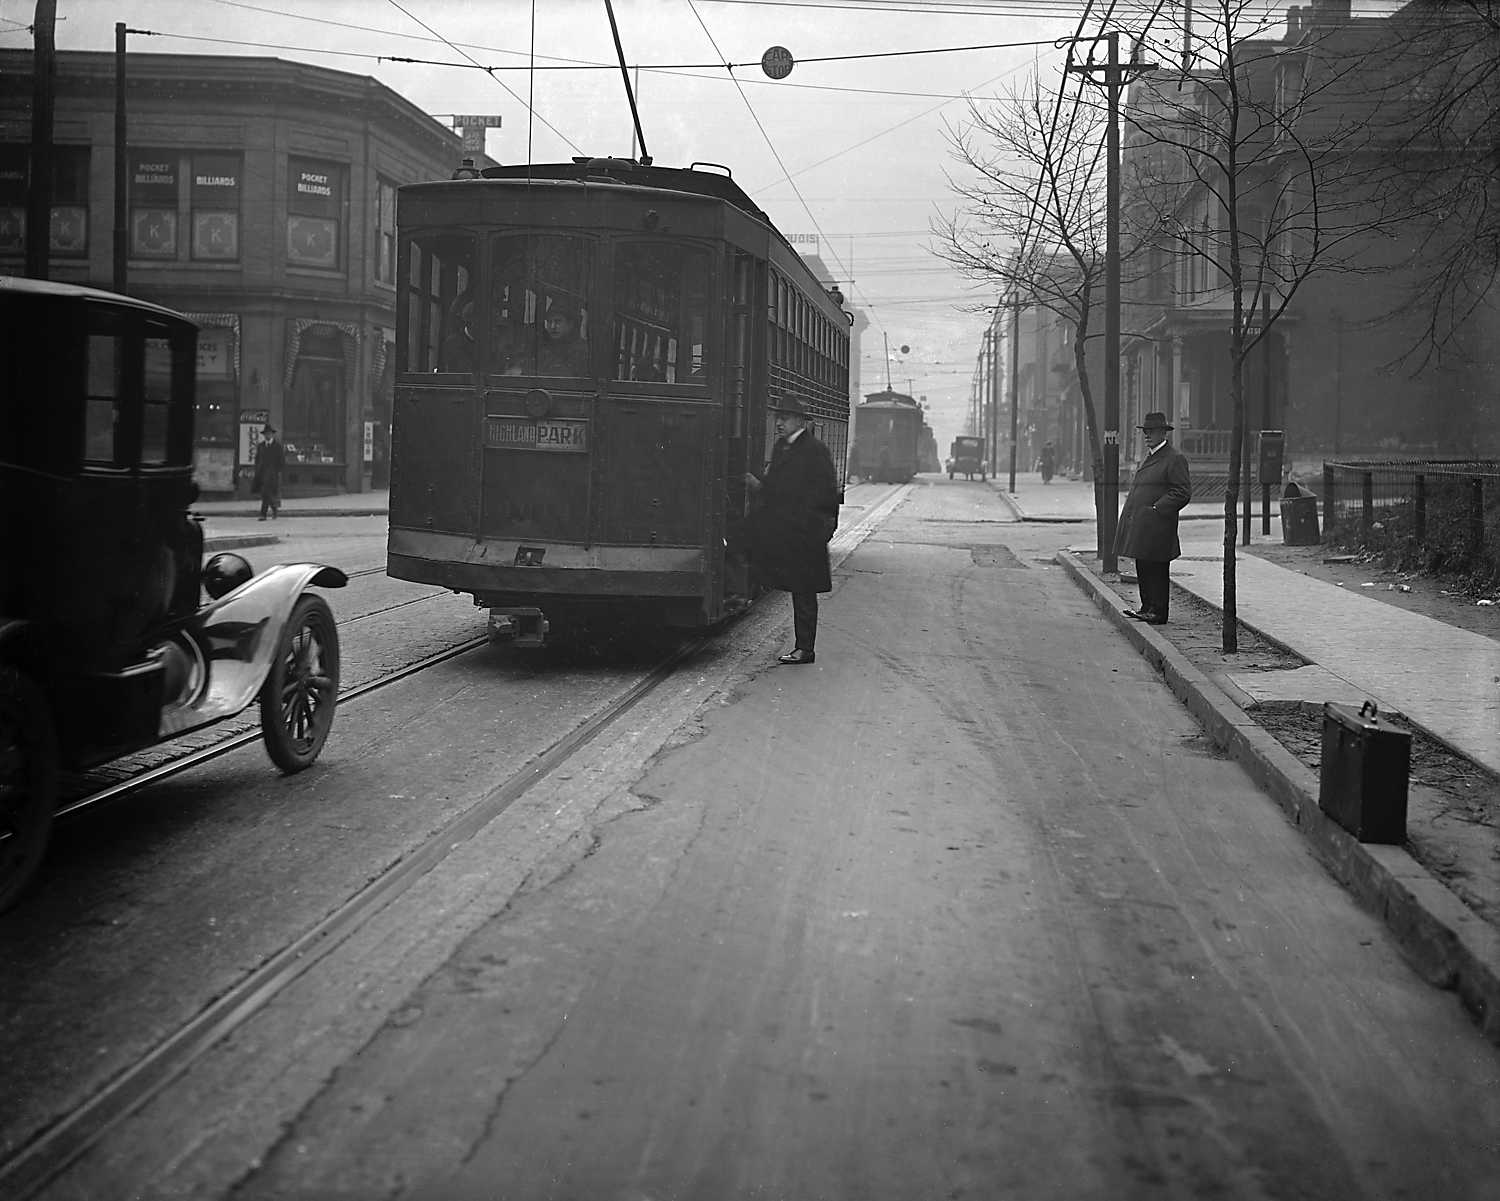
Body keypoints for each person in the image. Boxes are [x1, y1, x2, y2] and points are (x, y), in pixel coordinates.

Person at [743, 394, 841, 665]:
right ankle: (802, 647)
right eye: (778, 417)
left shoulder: (815, 450)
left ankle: (805, 649)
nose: (779, 423)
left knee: (804, 592)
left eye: (784, 418)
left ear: (799, 421)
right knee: (798, 589)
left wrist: (820, 531)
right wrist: (758, 487)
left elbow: (827, 494)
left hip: (806, 533)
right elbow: (776, 488)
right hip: (788, 532)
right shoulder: (782, 448)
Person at [1114, 411, 1192, 625]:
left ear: (1163, 433)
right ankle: (1146, 607)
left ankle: (1158, 611)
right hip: (1143, 523)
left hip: (1158, 525)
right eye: (1145, 431)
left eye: (1152, 431)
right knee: (1143, 565)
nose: (1147, 435)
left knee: (1157, 568)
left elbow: (1182, 492)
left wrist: (1157, 508)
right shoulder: (1151, 456)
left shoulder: (1174, 458)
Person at [535, 304, 589, 376]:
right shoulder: (542, 349)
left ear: (570, 324)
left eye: (558, 321)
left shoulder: (582, 350)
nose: (552, 326)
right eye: (549, 322)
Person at [253, 423, 285, 521]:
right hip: (262, 474)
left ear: (272, 434)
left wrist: (276, 471)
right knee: (265, 494)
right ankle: (274, 508)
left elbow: (281, 461)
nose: (268, 435)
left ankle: (263, 514)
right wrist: (257, 469)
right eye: (266, 434)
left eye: (269, 433)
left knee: (266, 492)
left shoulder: (277, 446)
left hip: (272, 475)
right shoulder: (261, 446)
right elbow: (257, 459)